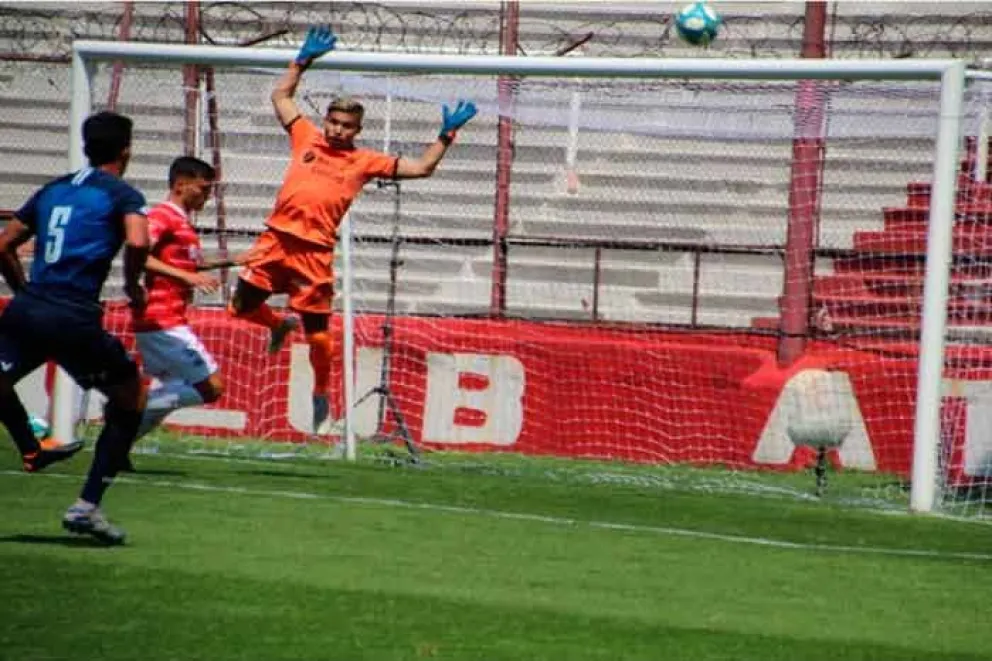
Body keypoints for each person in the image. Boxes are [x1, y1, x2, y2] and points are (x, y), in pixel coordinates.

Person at [229, 25, 478, 434]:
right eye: (334, 121)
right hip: (275, 240)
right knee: (239, 307)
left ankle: (321, 395)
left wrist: (446, 135)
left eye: (347, 125)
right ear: (325, 120)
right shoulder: (305, 136)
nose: (338, 129)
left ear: (357, 130)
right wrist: (302, 60)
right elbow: (281, 96)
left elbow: (422, 168)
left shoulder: (364, 161)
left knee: (320, 338)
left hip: (313, 253)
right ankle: (277, 325)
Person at [0, 111, 149, 545]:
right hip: (74, 316)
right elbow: (139, 240)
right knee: (131, 397)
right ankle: (87, 505)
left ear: (86, 146)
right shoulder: (121, 194)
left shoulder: (53, 189)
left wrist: (23, 290)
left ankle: (30, 449)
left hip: (28, 310)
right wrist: (134, 284)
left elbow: (5, 243)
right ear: (126, 150)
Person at [128, 156, 239, 461]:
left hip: (166, 320)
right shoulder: (163, 216)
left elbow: (190, 263)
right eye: (203, 188)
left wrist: (239, 260)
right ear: (180, 185)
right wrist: (189, 276)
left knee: (174, 391)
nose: (208, 196)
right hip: (162, 321)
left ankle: (117, 447)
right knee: (211, 388)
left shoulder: (182, 223)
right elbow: (139, 254)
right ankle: (128, 410)